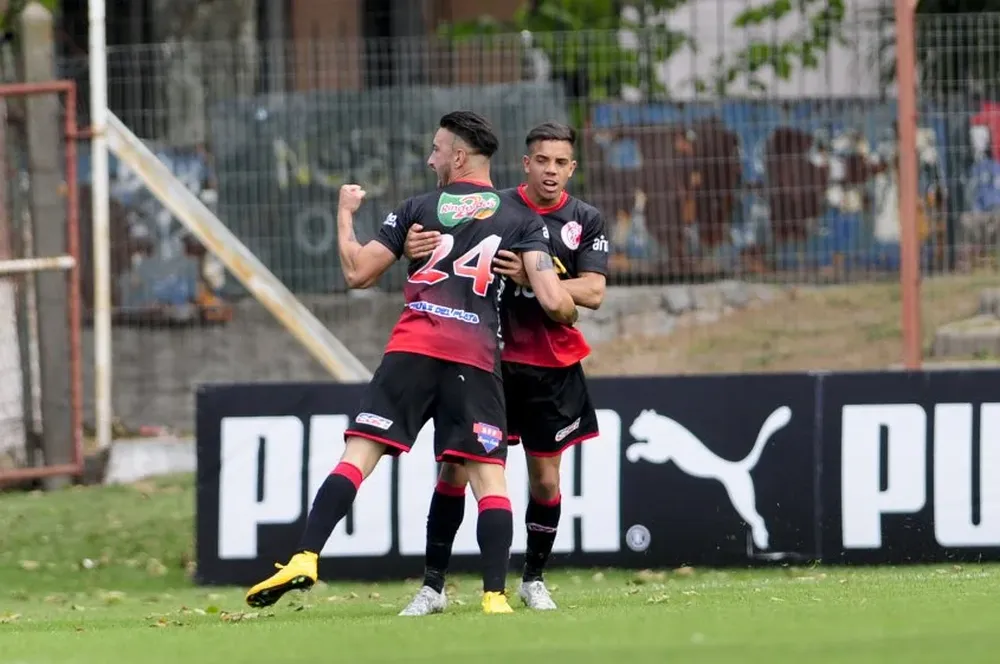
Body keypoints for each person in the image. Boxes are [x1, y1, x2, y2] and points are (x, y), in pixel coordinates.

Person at [244, 111, 578, 615]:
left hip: (411, 349)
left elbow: (357, 272)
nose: (431, 158)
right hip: (474, 357)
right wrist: (551, 289)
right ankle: (493, 596)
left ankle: (305, 556)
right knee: (489, 478)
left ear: (459, 156)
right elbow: (556, 304)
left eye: (438, 150)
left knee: (356, 457)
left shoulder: (418, 210)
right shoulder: (521, 219)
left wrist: (345, 212)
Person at [398, 121, 608, 616]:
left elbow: (594, 291)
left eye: (561, 162)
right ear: (526, 164)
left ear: (571, 168)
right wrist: (411, 247)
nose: (551, 170)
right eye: (542, 161)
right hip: (485, 360)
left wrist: (538, 278)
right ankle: (433, 586)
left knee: (546, 482)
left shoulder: (585, 220)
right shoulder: (494, 206)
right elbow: (443, 256)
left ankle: (533, 579)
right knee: (452, 468)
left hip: (549, 366)